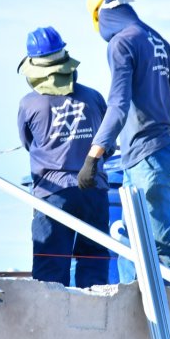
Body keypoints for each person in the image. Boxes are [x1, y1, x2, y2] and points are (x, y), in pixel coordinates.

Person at [77, 0, 170, 288]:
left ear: (100, 17)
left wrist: (94, 154)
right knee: (128, 235)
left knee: (162, 236)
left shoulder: (122, 43)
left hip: (147, 155)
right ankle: (130, 300)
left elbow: (118, 103)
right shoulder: (156, 39)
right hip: (151, 153)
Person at [17, 26, 111, 288]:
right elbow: (108, 145)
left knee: (50, 272)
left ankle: (52, 327)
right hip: (94, 191)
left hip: (53, 194)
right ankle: (94, 325)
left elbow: (27, 142)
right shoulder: (93, 98)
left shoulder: (29, 104)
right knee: (94, 265)